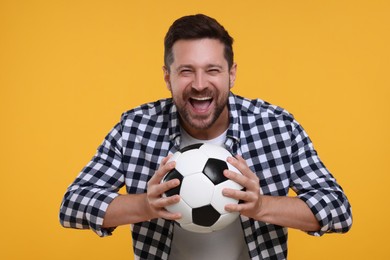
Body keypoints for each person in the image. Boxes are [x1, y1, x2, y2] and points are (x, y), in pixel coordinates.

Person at [59, 14, 352, 259]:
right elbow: (73, 205)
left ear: (231, 74)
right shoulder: (136, 127)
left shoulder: (276, 126)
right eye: (186, 71)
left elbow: (338, 211)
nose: (200, 84)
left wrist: (262, 206)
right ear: (167, 77)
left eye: (212, 70)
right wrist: (144, 206)